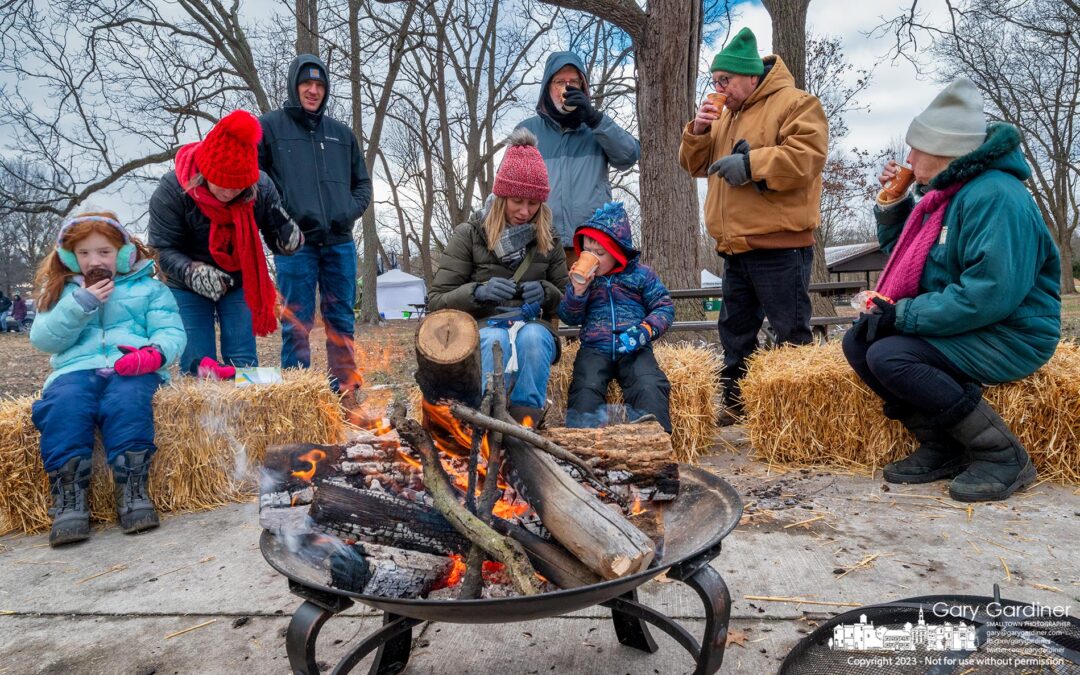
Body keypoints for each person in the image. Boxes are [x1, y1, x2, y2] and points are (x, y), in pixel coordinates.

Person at [843, 78, 1060, 502]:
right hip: (973, 321)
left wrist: (902, 316)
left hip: (1011, 331)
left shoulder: (995, 197)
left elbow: (989, 294)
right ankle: (942, 446)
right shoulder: (944, 196)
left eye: (916, 149)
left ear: (946, 151)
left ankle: (1002, 456)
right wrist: (892, 206)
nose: (907, 158)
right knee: (859, 342)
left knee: (892, 355)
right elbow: (908, 259)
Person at [678, 27, 828, 425]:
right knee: (734, 333)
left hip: (780, 246)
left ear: (750, 76)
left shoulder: (797, 103)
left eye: (724, 80)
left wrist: (751, 164)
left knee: (790, 331)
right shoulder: (724, 117)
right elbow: (694, 165)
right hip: (735, 247)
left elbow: (807, 157)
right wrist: (698, 130)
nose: (719, 88)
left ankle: (798, 415)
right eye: (714, 82)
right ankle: (737, 402)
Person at [29, 212, 186, 546]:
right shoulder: (61, 290)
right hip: (75, 369)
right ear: (71, 257)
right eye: (84, 253)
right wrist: (77, 305)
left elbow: (170, 330)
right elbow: (43, 339)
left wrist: (154, 354)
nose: (93, 260)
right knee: (64, 405)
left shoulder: (149, 288)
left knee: (127, 401)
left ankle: (132, 489)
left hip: (131, 366)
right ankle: (70, 498)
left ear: (124, 253)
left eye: (104, 252)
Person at [427, 128, 568, 421]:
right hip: (481, 326)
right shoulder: (469, 234)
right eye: (517, 201)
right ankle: (488, 418)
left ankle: (525, 421)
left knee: (533, 339)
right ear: (501, 195)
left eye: (533, 203)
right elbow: (436, 301)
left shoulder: (549, 238)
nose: (525, 211)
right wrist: (477, 292)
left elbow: (568, 304)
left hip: (530, 324)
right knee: (494, 340)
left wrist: (546, 291)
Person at [149, 110, 304, 377]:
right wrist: (190, 271)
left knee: (242, 362)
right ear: (205, 171)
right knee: (199, 364)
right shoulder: (172, 190)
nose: (229, 192)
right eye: (221, 183)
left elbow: (274, 237)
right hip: (186, 284)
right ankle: (203, 419)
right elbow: (161, 248)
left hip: (238, 280)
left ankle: (242, 418)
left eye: (237, 186)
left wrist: (287, 239)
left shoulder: (261, 188)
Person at [258, 54, 373, 398]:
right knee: (297, 323)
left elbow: (363, 184)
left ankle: (346, 389)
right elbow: (257, 184)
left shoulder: (341, 134)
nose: (313, 90)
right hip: (295, 245)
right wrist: (279, 223)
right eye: (306, 83)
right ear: (294, 87)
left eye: (319, 84)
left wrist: (347, 212)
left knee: (341, 319)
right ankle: (299, 394)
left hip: (339, 242)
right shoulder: (269, 128)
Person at [516, 52, 640, 269]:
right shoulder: (527, 131)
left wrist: (593, 118)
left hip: (591, 244)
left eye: (573, 81)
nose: (567, 87)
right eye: (559, 82)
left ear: (583, 87)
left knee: (590, 302)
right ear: (547, 87)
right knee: (548, 302)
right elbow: (509, 191)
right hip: (541, 245)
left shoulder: (597, 128)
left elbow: (628, 156)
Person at [558, 202, 675, 432]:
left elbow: (664, 307)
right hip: (594, 348)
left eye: (600, 254)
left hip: (634, 347)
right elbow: (569, 316)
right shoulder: (584, 280)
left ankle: (654, 441)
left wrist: (645, 330)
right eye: (587, 252)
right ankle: (582, 445)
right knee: (585, 388)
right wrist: (578, 292)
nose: (593, 258)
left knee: (649, 384)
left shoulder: (641, 275)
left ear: (618, 252)